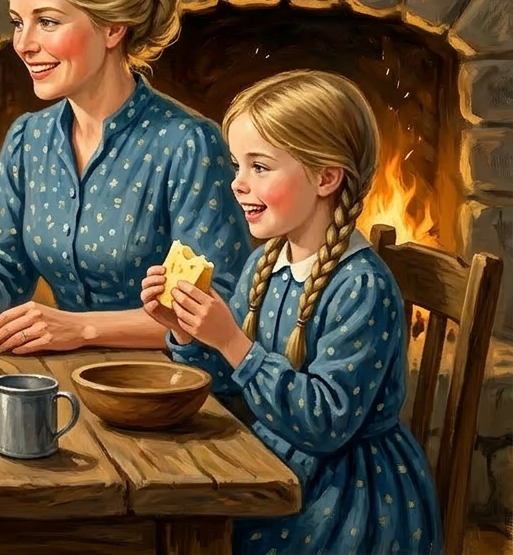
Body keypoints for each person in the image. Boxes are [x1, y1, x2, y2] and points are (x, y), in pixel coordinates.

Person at [140, 69, 441, 555]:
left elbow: (325, 423)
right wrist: (191, 335)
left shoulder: (360, 286)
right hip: (277, 463)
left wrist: (233, 341)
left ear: (326, 177)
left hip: (348, 501)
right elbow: (234, 382)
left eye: (259, 167)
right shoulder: (266, 262)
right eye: (238, 165)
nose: (238, 184)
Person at [0, 0, 250, 353]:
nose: (23, 44)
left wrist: (80, 329)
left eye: (47, 22)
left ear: (112, 28)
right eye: (18, 22)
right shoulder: (29, 139)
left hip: (175, 389)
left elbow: (221, 308)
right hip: (65, 374)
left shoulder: (187, 143)